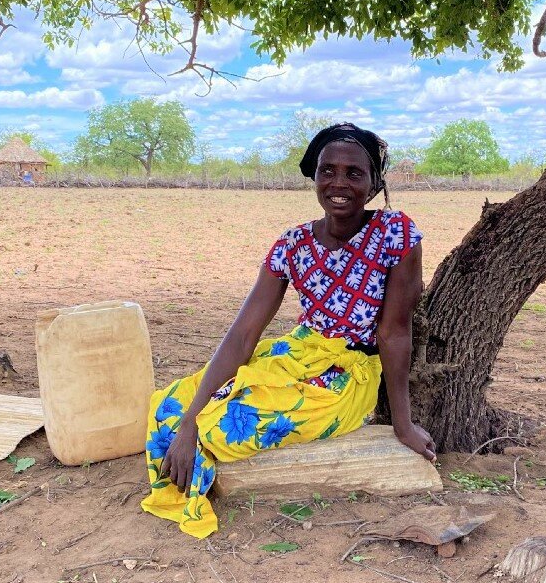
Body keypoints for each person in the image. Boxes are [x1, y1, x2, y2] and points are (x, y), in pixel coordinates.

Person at [141, 122, 435, 538]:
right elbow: (244, 335)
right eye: (327, 171)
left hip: (343, 379)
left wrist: (402, 424)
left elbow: (394, 333)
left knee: (225, 424)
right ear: (313, 178)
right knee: (172, 405)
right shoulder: (292, 244)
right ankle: (190, 444)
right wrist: (189, 419)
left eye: (354, 173)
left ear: (373, 184)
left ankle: (196, 456)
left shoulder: (396, 234)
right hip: (295, 356)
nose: (339, 183)